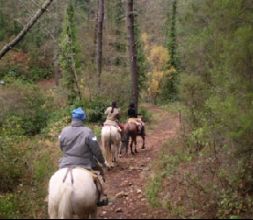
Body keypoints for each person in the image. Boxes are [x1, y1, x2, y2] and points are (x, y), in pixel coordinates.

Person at [58, 107, 108, 207]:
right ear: (83, 119)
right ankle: (101, 197)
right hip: (85, 163)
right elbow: (96, 150)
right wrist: (102, 162)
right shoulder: (87, 131)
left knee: (58, 178)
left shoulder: (64, 130)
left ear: (72, 118)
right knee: (100, 175)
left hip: (65, 163)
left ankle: (51, 197)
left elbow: (61, 146)